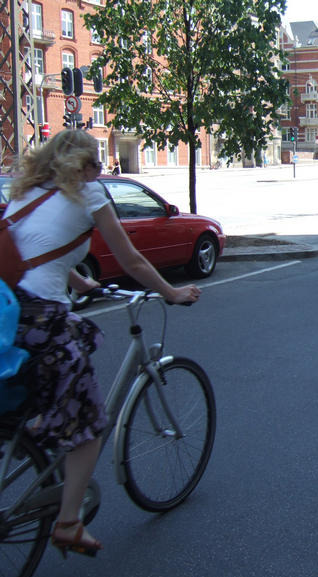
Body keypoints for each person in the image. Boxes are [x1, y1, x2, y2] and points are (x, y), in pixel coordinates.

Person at [7, 130, 200, 558]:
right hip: (42, 316)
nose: (100, 169)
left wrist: (80, 280)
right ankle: (70, 522)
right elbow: (130, 259)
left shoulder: (28, 194)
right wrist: (172, 293)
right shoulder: (89, 195)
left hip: (9, 310)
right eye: (96, 162)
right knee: (90, 426)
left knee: (78, 337)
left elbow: (33, 254)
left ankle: (41, 423)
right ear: (83, 165)